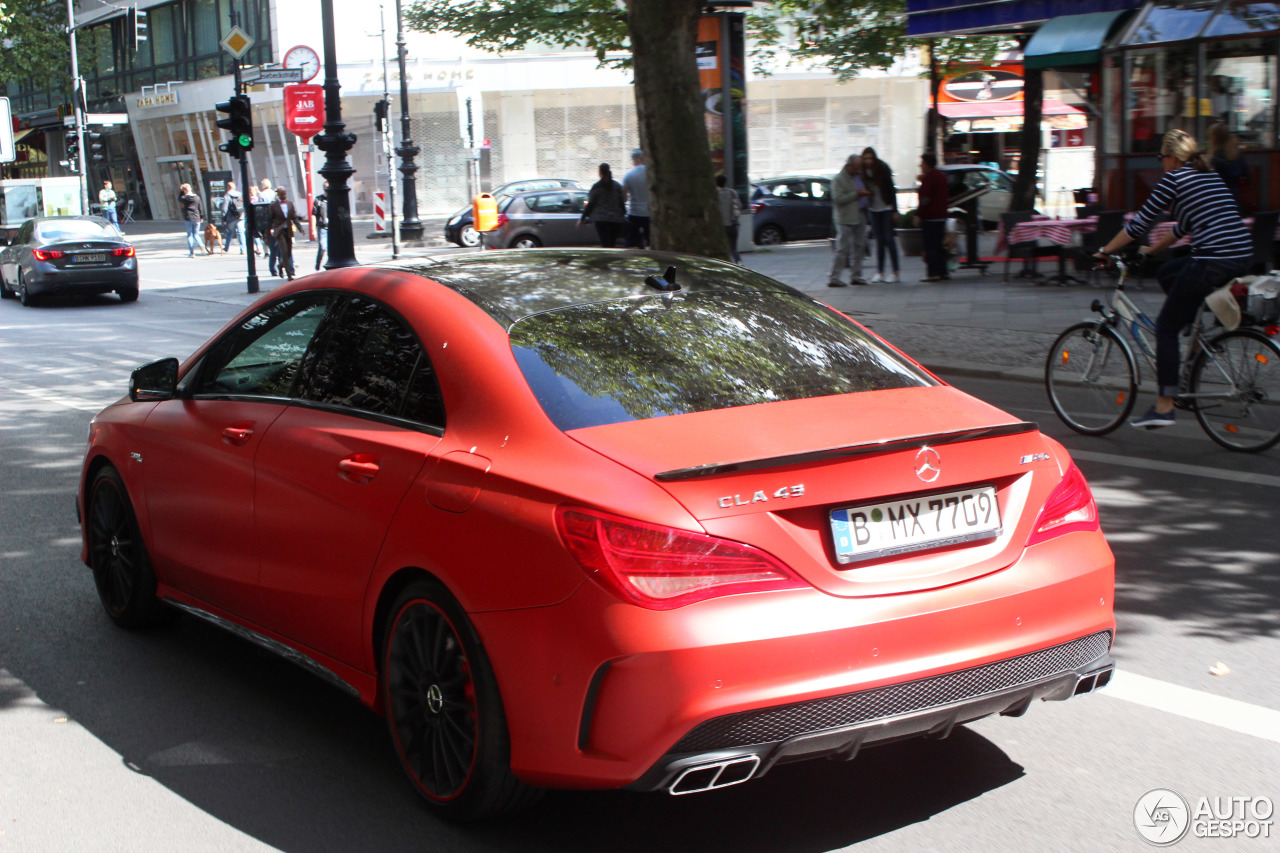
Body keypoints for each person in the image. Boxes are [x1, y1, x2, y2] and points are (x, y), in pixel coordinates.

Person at [1097, 128, 1252, 430]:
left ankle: (1164, 407)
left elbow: (1139, 223)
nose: (1160, 164)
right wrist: (1152, 251)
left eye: (1161, 158)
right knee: (1169, 272)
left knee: (1165, 329)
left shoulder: (1175, 178)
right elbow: (1183, 227)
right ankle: (1195, 343)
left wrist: (1104, 250)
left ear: (1170, 157)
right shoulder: (1207, 175)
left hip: (1212, 259)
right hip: (1240, 254)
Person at [828, 155, 870, 287]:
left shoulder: (858, 177)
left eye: (859, 167)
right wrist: (856, 194)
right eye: (856, 167)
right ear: (849, 166)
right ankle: (834, 277)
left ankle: (856, 275)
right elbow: (838, 199)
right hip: (845, 218)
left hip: (860, 215)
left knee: (860, 247)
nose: (858, 170)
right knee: (842, 248)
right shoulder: (839, 180)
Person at [861, 147, 899, 283]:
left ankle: (895, 271)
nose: (868, 161)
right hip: (874, 208)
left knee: (889, 239)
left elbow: (891, 189)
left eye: (870, 158)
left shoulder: (882, 168)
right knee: (879, 241)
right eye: (866, 158)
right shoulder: (863, 172)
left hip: (886, 207)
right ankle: (880, 271)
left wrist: (895, 209)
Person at [917, 153, 949, 281]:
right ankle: (943, 271)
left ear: (927, 164)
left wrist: (919, 214)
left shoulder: (929, 178)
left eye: (922, 163)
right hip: (941, 215)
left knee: (930, 245)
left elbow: (925, 199)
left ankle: (932, 273)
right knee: (940, 245)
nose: (920, 165)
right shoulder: (941, 176)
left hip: (930, 216)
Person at [579, 163, 627, 247]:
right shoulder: (616, 186)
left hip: (601, 220)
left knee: (605, 243)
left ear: (600, 172)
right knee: (612, 243)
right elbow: (621, 202)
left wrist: (583, 217)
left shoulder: (597, 187)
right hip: (616, 219)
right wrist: (623, 214)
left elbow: (591, 204)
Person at [269, 186, 304, 280]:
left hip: (288, 230)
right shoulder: (273, 206)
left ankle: (280, 265)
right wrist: (270, 231)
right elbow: (270, 219)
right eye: (282, 194)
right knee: (284, 251)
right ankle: (289, 275)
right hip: (279, 231)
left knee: (288, 253)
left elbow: (294, 218)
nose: (284, 195)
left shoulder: (290, 204)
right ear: (278, 194)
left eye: (285, 193)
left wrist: (300, 228)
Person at [1209, 123, 1245, 207]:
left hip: (1216, 200)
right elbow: (1246, 177)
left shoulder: (1214, 159)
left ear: (1214, 139)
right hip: (1234, 198)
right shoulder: (1237, 156)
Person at [622, 148, 651, 249]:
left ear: (633, 160)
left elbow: (624, 197)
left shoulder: (628, 175)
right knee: (650, 240)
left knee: (632, 242)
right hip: (649, 213)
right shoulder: (650, 173)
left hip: (634, 213)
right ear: (642, 158)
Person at [715, 174, 743, 264]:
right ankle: (739, 263)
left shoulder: (714, 194)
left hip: (719, 226)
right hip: (732, 224)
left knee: (721, 248)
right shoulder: (732, 193)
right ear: (725, 182)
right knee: (733, 248)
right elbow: (739, 206)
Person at [178, 183, 204, 258]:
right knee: (196, 234)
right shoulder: (197, 197)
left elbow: (179, 198)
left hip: (188, 218)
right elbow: (200, 208)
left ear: (184, 190)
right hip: (197, 218)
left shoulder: (184, 198)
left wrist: (181, 191)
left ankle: (192, 253)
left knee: (190, 235)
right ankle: (201, 244)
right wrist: (201, 217)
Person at [221, 181, 246, 254]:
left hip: (231, 217)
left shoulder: (227, 196)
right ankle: (243, 249)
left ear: (228, 187)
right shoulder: (240, 195)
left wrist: (223, 218)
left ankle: (226, 248)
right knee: (241, 232)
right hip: (241, 216)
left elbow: (224, 208)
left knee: (229, 232)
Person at [312, 184, 329, 270]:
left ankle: (330, 265)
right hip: (322, 227)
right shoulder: (318, 200)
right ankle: (318, 264)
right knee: (322, 246)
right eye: (325, 187)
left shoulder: (333, 198)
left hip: (332, 228)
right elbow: (314, 215)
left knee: (331, 249)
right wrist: (313, 229)